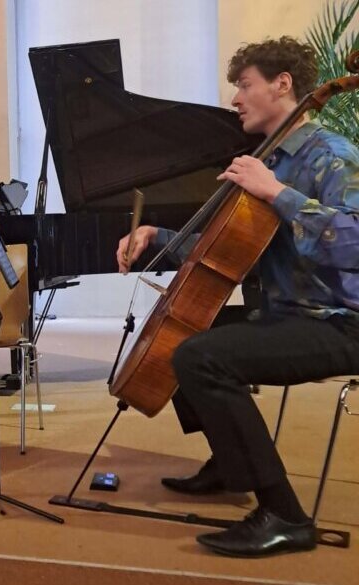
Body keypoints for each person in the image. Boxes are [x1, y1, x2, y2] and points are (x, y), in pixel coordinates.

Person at [116, 37, 359, 557]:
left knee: (200, 358)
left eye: (244, 85)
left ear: (283, 83)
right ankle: (229, 466)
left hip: (338, 321)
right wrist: (155, 236)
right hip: (282, 312)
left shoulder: (331, 155)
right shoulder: (264, 158)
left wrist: (276, 192)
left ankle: (285, 516)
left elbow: (355, 241)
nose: (235, 99)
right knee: (186, 333)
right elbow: (225, 244)